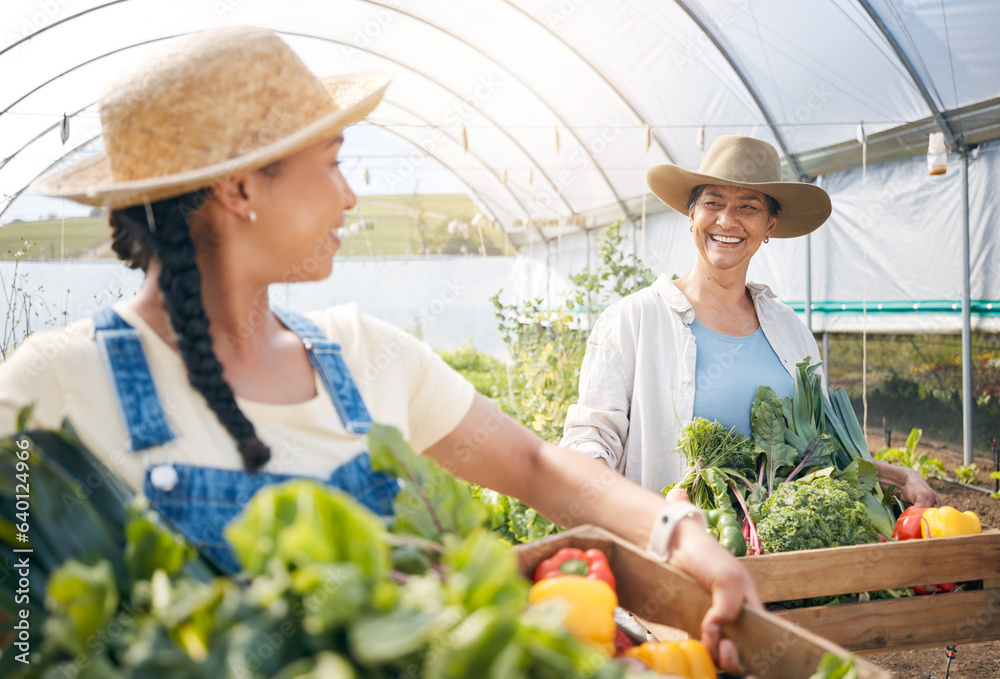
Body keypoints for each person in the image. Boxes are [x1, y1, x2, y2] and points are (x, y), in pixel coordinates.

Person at [0, 28, 757, 671]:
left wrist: (680, 530)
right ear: (237, 188)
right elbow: (20, 634)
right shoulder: (52, 386)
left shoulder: (363, 353)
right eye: (331, 161)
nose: (350, 194)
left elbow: (536, 464)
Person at [561, 135, 941, 509]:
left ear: (770, 224)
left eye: (748, 207)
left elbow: (823, 452)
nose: (727, 220)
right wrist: (625, 507)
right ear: (691, 214)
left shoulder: (790, 331)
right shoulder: (633, 321)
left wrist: (898, 476)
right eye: (713, 202)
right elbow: (590, 438)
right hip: (672, 554)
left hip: (779, 557)